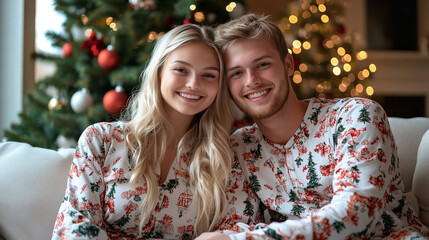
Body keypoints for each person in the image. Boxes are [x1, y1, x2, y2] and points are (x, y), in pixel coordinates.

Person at [196, 13, 429, 239]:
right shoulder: (240, 146)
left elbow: (357, 215)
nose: (251, 80)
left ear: (288, 64)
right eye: (236, 73)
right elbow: (236, 223)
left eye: (263, 64)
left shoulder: (356, 116)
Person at [52, 23, 260, 240]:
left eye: (209, 75)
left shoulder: (227, 157)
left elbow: (239, 229)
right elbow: (75, 227)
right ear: (159, 72)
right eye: (181, 70)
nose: (193, 83)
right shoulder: (101, 141)